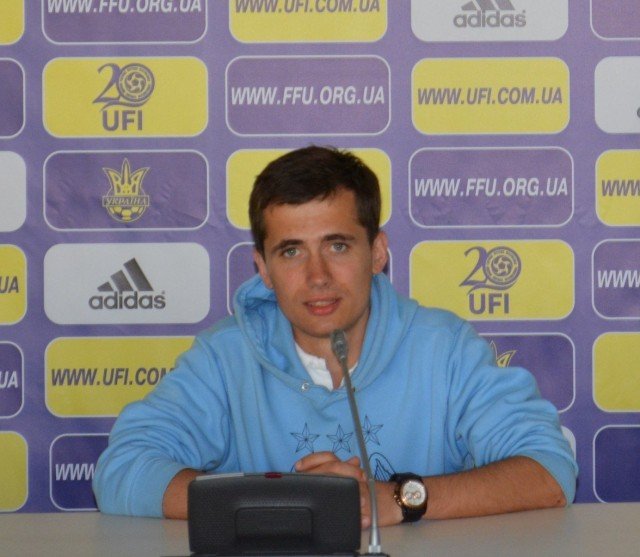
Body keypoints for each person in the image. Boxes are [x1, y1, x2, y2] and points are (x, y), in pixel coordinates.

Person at [93, 146, 578, 526]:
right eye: (291, 252)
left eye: (338, 246)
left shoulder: (443, 347)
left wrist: (397, 500)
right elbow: (121, 471)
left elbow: (549, 472)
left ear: (378, 252)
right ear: (262, 268)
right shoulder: (225, 356)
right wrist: (287, 502)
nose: (318, 276)